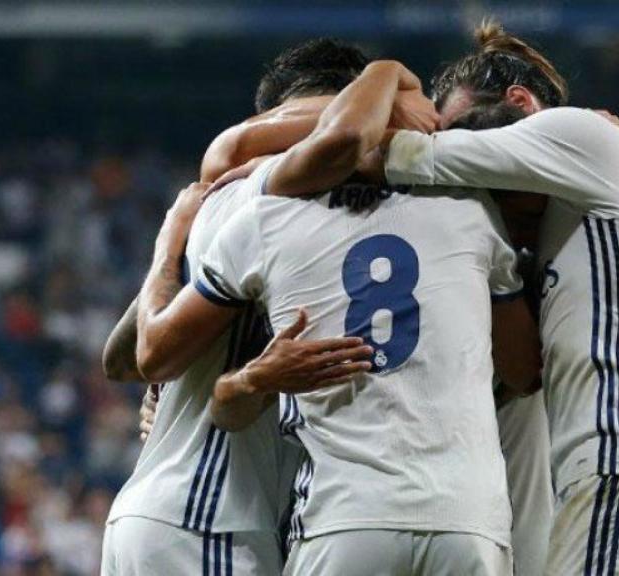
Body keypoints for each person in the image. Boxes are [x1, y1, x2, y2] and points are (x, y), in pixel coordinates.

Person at [300, 22, 619, 575]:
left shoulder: (567, 133)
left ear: (520, 103)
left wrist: (242, 148)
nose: (460, 149)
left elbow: (358, 149)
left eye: (460, 130)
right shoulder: (558, 220)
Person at [134, 58, 542, 575]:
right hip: (469, 521)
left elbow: (146, 355)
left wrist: (171, 252)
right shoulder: (467, 204)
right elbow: (524, 369)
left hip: (343, 516)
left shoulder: (259, 210)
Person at [99, 39, 381, 576]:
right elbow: (131, 360)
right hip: (211, 519)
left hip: (165, 516)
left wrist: (169, 246)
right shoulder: (267, 207)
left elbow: (120, 361)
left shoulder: (223, 209)